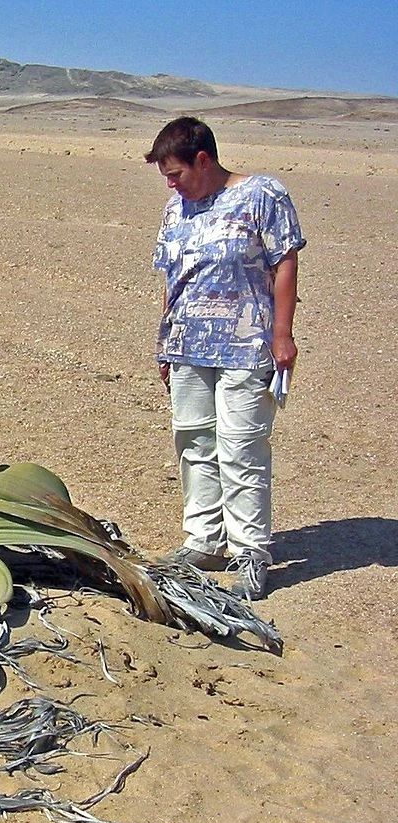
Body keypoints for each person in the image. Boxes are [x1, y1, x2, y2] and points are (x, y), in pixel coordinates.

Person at [145, 117, 305, 600]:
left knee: (241, 448)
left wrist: (283, 335)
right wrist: (165, 343)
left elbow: (285, 262)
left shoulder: (262, 196)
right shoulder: (177, 210)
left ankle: (251, 552)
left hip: (246, 346)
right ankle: (203, 541)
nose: (170, 184)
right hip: (187, 344)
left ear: (203, 159)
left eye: (176, 173)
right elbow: (174, 279)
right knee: (193, 443)